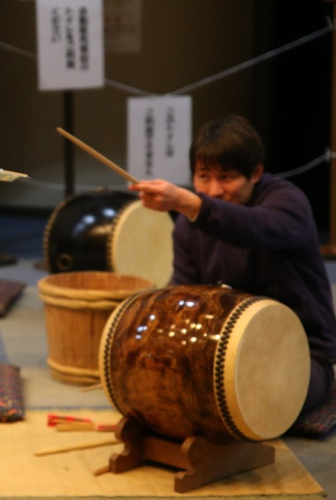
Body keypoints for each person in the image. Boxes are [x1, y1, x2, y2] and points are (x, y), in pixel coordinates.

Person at [129, 114, 336, 415]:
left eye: (226, 177)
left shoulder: (288, 202)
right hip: (225, 355)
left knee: (258, 396)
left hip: (300, 354)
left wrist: (188, 203)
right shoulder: (188, 227)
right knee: (160, 385)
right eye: (203, 176)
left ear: (256, 173)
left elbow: (252, 226)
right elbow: (184, 296)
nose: (213, 190)